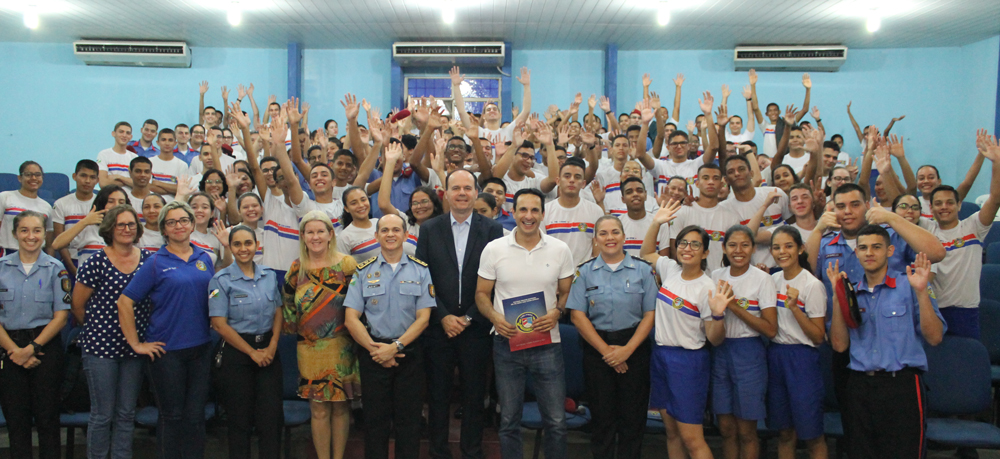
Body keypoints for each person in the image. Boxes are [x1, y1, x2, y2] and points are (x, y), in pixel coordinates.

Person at [807, 183, 946, 454]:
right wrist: (817, 229)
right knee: (859, 440)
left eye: (855, 204)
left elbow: (937, 252)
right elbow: (804, 271)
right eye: (840, 206)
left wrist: (892, 216)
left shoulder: (891, 235)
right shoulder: (826, 241)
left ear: (867, 206)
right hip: (851, 348)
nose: (847, 211)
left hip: (895, 349)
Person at [476, 188, 576, 459]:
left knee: (556, 421)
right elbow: (481, 295)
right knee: (508, 420)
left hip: (548, 344)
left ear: (543, 214)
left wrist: (557, 313)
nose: (528, 216)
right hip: (506, 343)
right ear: (514, 212)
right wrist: (496, 318)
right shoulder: (494, 248)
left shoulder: (560, 249)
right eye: (523, 210)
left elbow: (567, 292)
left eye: (534, 210)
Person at [416, 169, 505, 459]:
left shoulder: (492, 229)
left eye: (468, 188)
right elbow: (422, 277)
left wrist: (468, 317)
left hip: (476, 327)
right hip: (439, 327)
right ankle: (439, 452)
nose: (462, 193)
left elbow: (496, 280)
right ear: (446, 192)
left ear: (476, 191)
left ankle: (472, 452)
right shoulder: (430, 228)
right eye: (456, 188)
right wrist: (442, 315)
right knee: (438, 397)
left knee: (474, 396)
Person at [119, 200, 214, 459]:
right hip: (166, 353)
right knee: (172, 416)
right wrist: (136, 344)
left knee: (196, 417)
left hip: (201, 349)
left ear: (193, 224)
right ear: (164, 229)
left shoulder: (204, 258)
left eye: (183, 220)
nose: (178, 226)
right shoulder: (154, 262)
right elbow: (125, 302)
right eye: (171, 222)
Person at [345, 213, 435, 459]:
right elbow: (351, 319)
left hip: (409, 354)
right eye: (384, 230)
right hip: (373, 353)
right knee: (375, 423)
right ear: (376, 236)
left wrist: (394, 347)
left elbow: (424, 318)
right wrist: (378, 351)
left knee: (409, 423)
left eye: (396, 230)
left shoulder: (420, 270)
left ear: (406, 235)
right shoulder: (363, 271)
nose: (391, 234)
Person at [640, 208, 728, 459]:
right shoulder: (670, 270)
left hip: (688, 363)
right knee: (672, 434)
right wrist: (656, 222)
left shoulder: (707, 288)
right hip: (661, 357)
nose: (687, 248)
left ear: (706, 252)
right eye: (683, 243)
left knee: (692, 438)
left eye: (695, 245)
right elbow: (647, 252)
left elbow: (715, 339)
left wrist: (719, 315)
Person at [568, 215, 656, 459]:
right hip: (597, 351)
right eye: (603, 233)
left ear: (624, 236)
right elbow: (577, 316)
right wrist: (608, 352)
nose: (610, 238)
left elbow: (650, 314)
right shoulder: (584, 272)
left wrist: (626, 351)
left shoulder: (643, 270)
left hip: (635, 349)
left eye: (615, 232)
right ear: (595, 239)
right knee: (602, 418)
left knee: (633, 418)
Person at [71, 204, 150, 459]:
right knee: (102, 414)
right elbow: (78, 306)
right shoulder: (96, 261)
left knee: (126, 413)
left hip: (135, 347)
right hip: (99, 348)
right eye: (121, 225)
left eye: (131, 224)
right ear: (110, 229)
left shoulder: (148, 259)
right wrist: (100, 329)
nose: (127, 229)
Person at [283, 210, 359, 459]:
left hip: (342, 347)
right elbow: (288, 307)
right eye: (310, 232)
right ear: (303, 236)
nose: (315, 237)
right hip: (309, 350)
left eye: (320, 231)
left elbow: (359, 305)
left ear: (330, 234)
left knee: (339, 407)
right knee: (318, 410)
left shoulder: (347, 265)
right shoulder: (297, 268)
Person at [0, 211, 71, 459]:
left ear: (44, 233)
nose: (31, 236)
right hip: (8, 348)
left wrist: (29, 349)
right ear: (15, 234)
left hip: (45, 347)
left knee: (47, 419)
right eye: (24, 230)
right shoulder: (1, 269)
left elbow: (61, 317)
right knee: (16, 421)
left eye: (37, 230)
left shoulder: (56, 269)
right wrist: (14, 351)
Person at [208, 225, 283, 459]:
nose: (243, 248)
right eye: (237, 244)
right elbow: (219, 325)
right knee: (239, 422)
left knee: (271, 421)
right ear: (230, 247)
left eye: (248, 243)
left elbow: (278, 312)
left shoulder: (269, 275)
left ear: (256, 246)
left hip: (268, 352)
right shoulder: (221, 280)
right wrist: (252, 352)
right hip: (237, 355)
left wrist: (271, 347)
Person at [710, 225, 778, 459]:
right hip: (720, 351)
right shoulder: (716, 277)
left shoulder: (762, 280)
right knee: (727, 428)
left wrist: (733, 306)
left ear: (753, 248)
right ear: (723, 247)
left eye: (745, 245)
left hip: (749, 353)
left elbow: (770, 329)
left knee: (747, 430)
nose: (738, 250)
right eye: (732, 245)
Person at [923, 136, 1000, 339]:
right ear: (931, 208)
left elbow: (996, 197)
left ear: (959, 205)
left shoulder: (974, 226)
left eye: (949, 202)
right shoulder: (926, 232)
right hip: (934, 311)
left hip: (966, 312)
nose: (944, 207)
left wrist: (996, 163)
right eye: (938, 203)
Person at [767, 226, 828, 459]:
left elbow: (818, 336)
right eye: (776, 247)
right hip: (775, 355)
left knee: (812, 434)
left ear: (801, 248)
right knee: (784, 433)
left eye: (789, 246)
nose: (782, 251)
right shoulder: (771, 280)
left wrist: (794, 308)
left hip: (802, 359)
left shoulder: (812, 285)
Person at [659, 163, 739, 271]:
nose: (710, 182)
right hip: (688, 279)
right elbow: (675, 250)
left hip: (719, 280)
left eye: (715, 178)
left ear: (721, 185)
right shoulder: (682, 212)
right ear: (697, 183)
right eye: (705, 178)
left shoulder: (731, 218)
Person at [380, 142, 443, 257]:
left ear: (434, 204)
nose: (419, 206)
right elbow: (384, 204)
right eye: (414, 203)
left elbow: (452, 197)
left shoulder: (443, 223)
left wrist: (440, 172)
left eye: (424, 201)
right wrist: (389, 163)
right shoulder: (405, 222)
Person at [543, 157, 605, 264]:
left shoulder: (595, 211)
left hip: (584, 277)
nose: (572, 180)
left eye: (577, 177)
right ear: (558, 181)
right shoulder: (545, 211)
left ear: (583, 184)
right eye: (567, 176)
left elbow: (598, 251)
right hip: (553, 274)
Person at [51, 185, 129, 268]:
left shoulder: (129, 230)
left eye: (121, 202)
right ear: (102, 203)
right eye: (110, 201)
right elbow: (57, 244)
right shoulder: (87, 226)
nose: (116, 205)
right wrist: (85, 222)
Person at [51, 160, 100, 277]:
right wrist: (73, 269)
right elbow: (60, 241)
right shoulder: (61, 204)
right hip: (71, 260)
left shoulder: (102, 202)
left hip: (98, 260)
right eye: (83, 175)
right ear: (74, 176)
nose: (87, 181)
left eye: (92, 177)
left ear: (97, 180)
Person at [0, 161, 54, 256]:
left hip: (36, 256)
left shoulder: (46, 207)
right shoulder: (5, 197)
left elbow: (48, 244)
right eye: (28, 174)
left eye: (37, 175)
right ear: (20, 178)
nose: (33, 178)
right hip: (7, 254)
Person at [336, 186, 380, 260]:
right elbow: (342, 268)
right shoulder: (344, 237)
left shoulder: (379, 223)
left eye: (363, 200)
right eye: (354, 203)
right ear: (346, 208)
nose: (361, 205)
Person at [98, 122, 138, 188]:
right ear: (113, 134)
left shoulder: (134, 157)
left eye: (127, 133)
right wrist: (128, 181)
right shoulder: (104, 154)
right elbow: (103, 183)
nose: (124, 135)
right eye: (121, 132)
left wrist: (118, 177)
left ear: (131, 137)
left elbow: (138, 184)